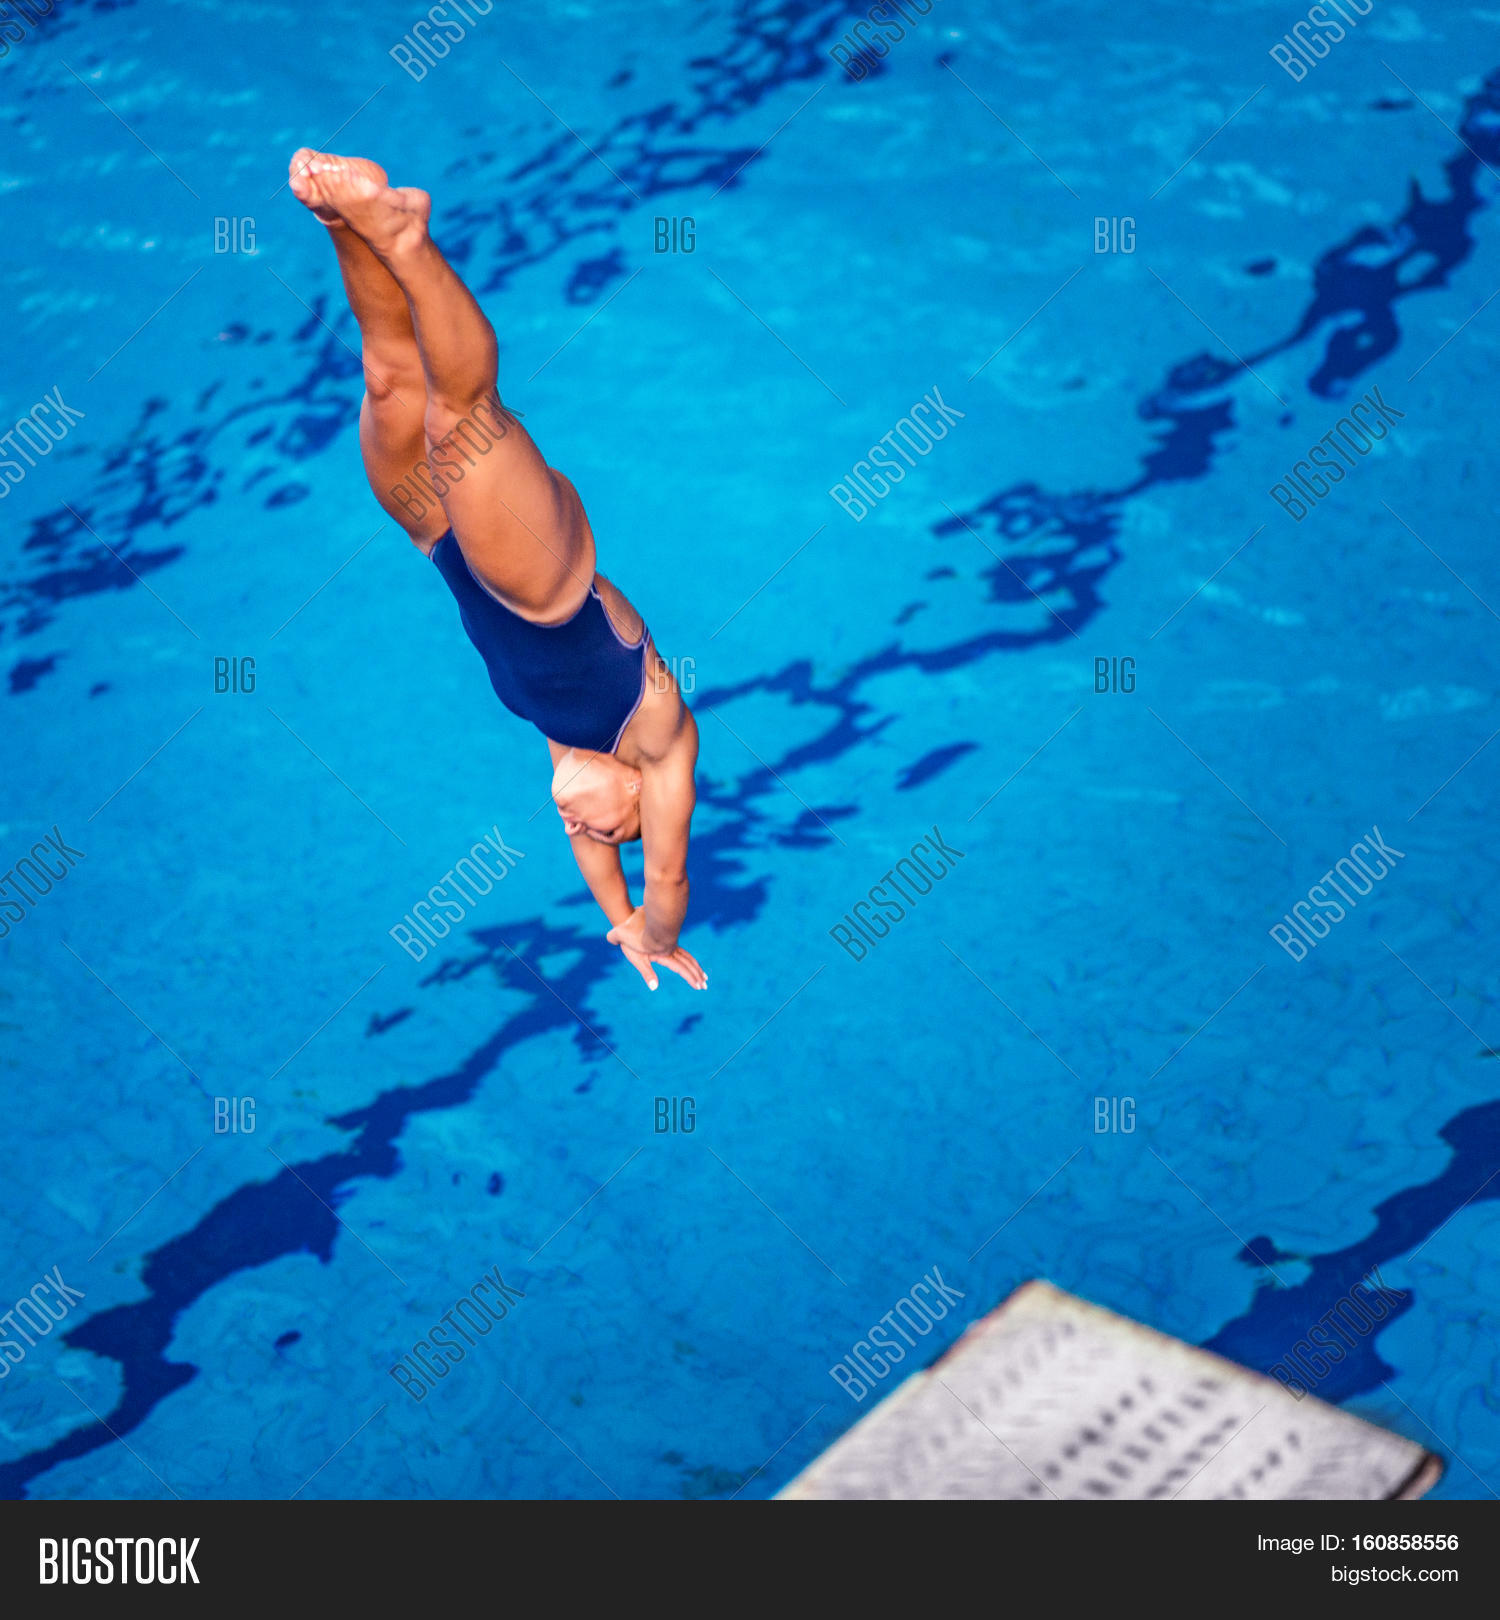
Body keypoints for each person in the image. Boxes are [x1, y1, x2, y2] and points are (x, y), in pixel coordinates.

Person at [289, 149, 706, 993]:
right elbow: (665, 882)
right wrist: (650, 934)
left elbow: (598, 857)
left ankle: (347, 224)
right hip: (541, 578)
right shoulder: (658, 745)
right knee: (460, 417)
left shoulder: (570, 757)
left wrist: (607, 916)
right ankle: (404, 238)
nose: (569, 819)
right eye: (595, 827)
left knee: (387, 376)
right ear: (634, 802)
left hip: (442, 544)